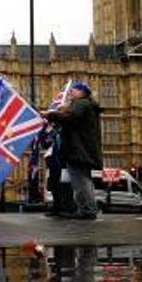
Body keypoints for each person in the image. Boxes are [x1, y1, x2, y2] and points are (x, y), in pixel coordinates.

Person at [43, 82, 103, 220]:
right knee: (83, 180)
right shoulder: (85, 105)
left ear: (82, 93)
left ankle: (87, 210)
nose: (70, 93)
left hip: (79, 149)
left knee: (81, 181)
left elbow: (70, 118)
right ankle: (87, 208)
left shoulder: (81, 103)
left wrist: (50, 114)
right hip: (82, 149)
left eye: (73, 90)